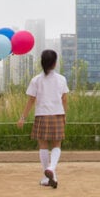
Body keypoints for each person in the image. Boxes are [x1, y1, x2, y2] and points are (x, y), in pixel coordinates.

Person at [17, 49, 70, 188]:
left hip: (41, 115)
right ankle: (52, 169)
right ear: (54, 63)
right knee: (57, 145)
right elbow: (64, 99)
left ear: (42, 63)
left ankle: (48, 175)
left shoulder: (36, 80)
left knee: (43, 146)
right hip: (58, 114)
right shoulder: (61, 79)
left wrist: (23, 117)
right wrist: (65, 115)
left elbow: (31, 100)